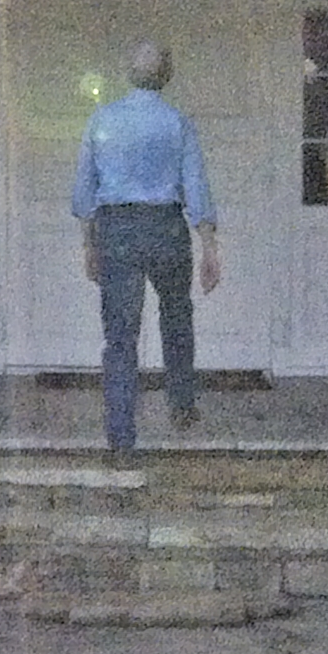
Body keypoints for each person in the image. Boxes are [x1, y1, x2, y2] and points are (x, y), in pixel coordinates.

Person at [69, 41, 220, 450]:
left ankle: (121, 434)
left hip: (117, 229)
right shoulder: (177, 123)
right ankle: (182, 404)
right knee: (177, 316)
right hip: (166, 225)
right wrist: (209, 247)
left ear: (127, 73)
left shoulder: (102, 121)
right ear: (166, 76)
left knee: (120, 334)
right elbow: (196, 188)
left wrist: (88, 243)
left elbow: (85, 190)